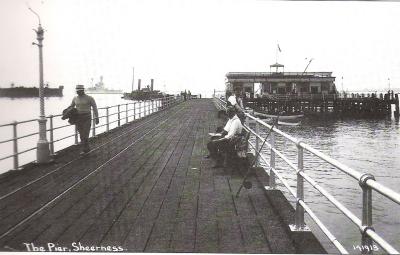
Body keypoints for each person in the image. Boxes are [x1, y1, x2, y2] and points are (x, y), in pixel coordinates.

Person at [70, 85, 99, 154]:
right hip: (78, 118)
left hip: (87, 117)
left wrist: (97, 118)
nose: (78, 92)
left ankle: (84, 149)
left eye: (79, 91)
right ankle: (86, 147)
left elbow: (95, 108)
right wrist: (67, 114)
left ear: (83, 90)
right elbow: (71, 107)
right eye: (77, 91)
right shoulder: (75, 98)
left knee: (85, 134)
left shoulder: (90, 98)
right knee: (81, 134)